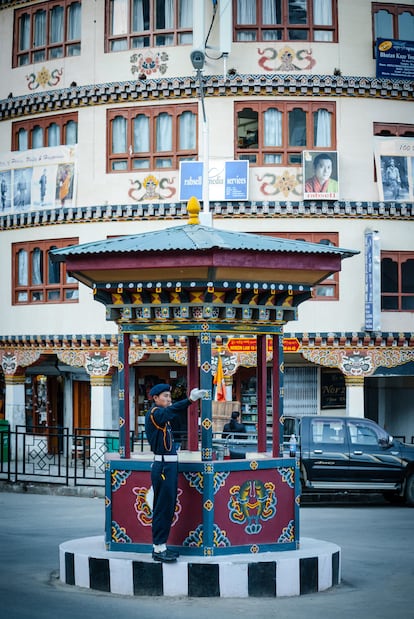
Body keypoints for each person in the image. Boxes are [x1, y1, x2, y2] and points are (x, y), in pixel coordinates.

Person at [145, 383, 205, 563]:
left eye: (169, 397)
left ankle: (161, 545)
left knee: (168, 507)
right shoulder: (156, 413)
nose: (169, 400)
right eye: (165, 396)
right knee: (163, 508)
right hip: (163, 467)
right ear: (155, 398)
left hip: (168, 466)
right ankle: (158, 548)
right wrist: (190, 400)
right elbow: (173, 411)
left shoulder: (163, 415)